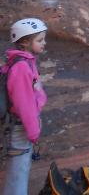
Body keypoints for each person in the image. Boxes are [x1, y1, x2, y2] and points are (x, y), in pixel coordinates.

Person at [3, 18, 48, 195]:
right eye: (39, 40)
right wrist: (33, 131)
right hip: (21, 126)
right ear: (24, 42)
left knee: (20, 168)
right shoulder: (21, 67)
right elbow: (24, 104)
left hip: (23, 125)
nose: (44, 43)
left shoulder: (25, 62)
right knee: (18, 172)